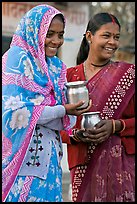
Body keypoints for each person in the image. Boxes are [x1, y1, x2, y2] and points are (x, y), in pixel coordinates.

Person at [2, 4, 92, 202]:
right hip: (21, 164)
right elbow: (13, 115)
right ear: (35, 31)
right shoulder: (15, 61)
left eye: (60, 35)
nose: (56, 41)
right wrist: (60, 110)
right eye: (50, 34)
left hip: (50, 161)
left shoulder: (56, 67)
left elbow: (61, 119)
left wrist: (62, 110)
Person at [61, 12, 135, 202]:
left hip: (122, 168)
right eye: (106, 35)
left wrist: (116, 125)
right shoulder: (68, 77)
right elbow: (54, 125)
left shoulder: (128, 75)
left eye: (116, 37)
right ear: (89, 36)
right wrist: (75, 135)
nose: (112, 42)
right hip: (83, 166)